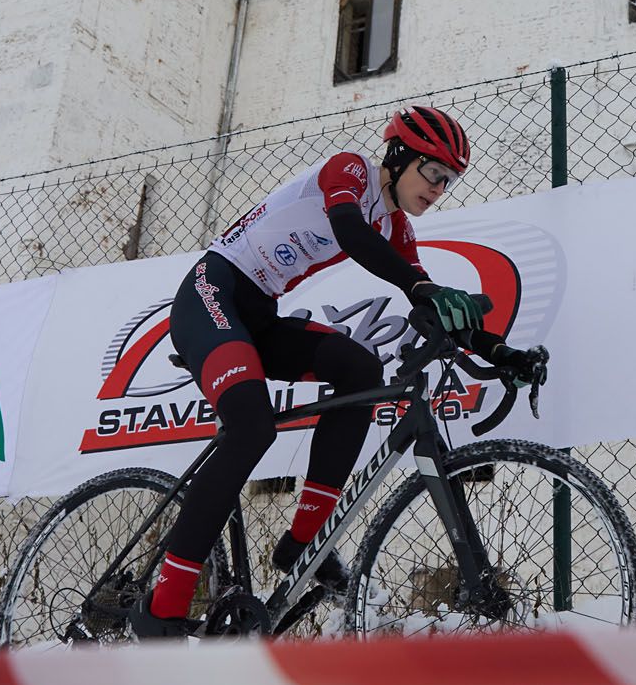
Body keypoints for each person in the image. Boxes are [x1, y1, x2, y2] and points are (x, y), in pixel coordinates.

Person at [134, 105, 545, 638]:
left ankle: (304, 541)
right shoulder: (349, 170)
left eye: (449, 180)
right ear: (397, 158)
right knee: (251, 427)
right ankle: (163, 605)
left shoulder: (396, 229)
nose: (439, 188)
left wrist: (501, 352)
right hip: (211, 293)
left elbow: (428, 301)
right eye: (433, 172)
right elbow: (349, 230)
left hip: (258, 315)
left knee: (362, 372)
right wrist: (422, 287)